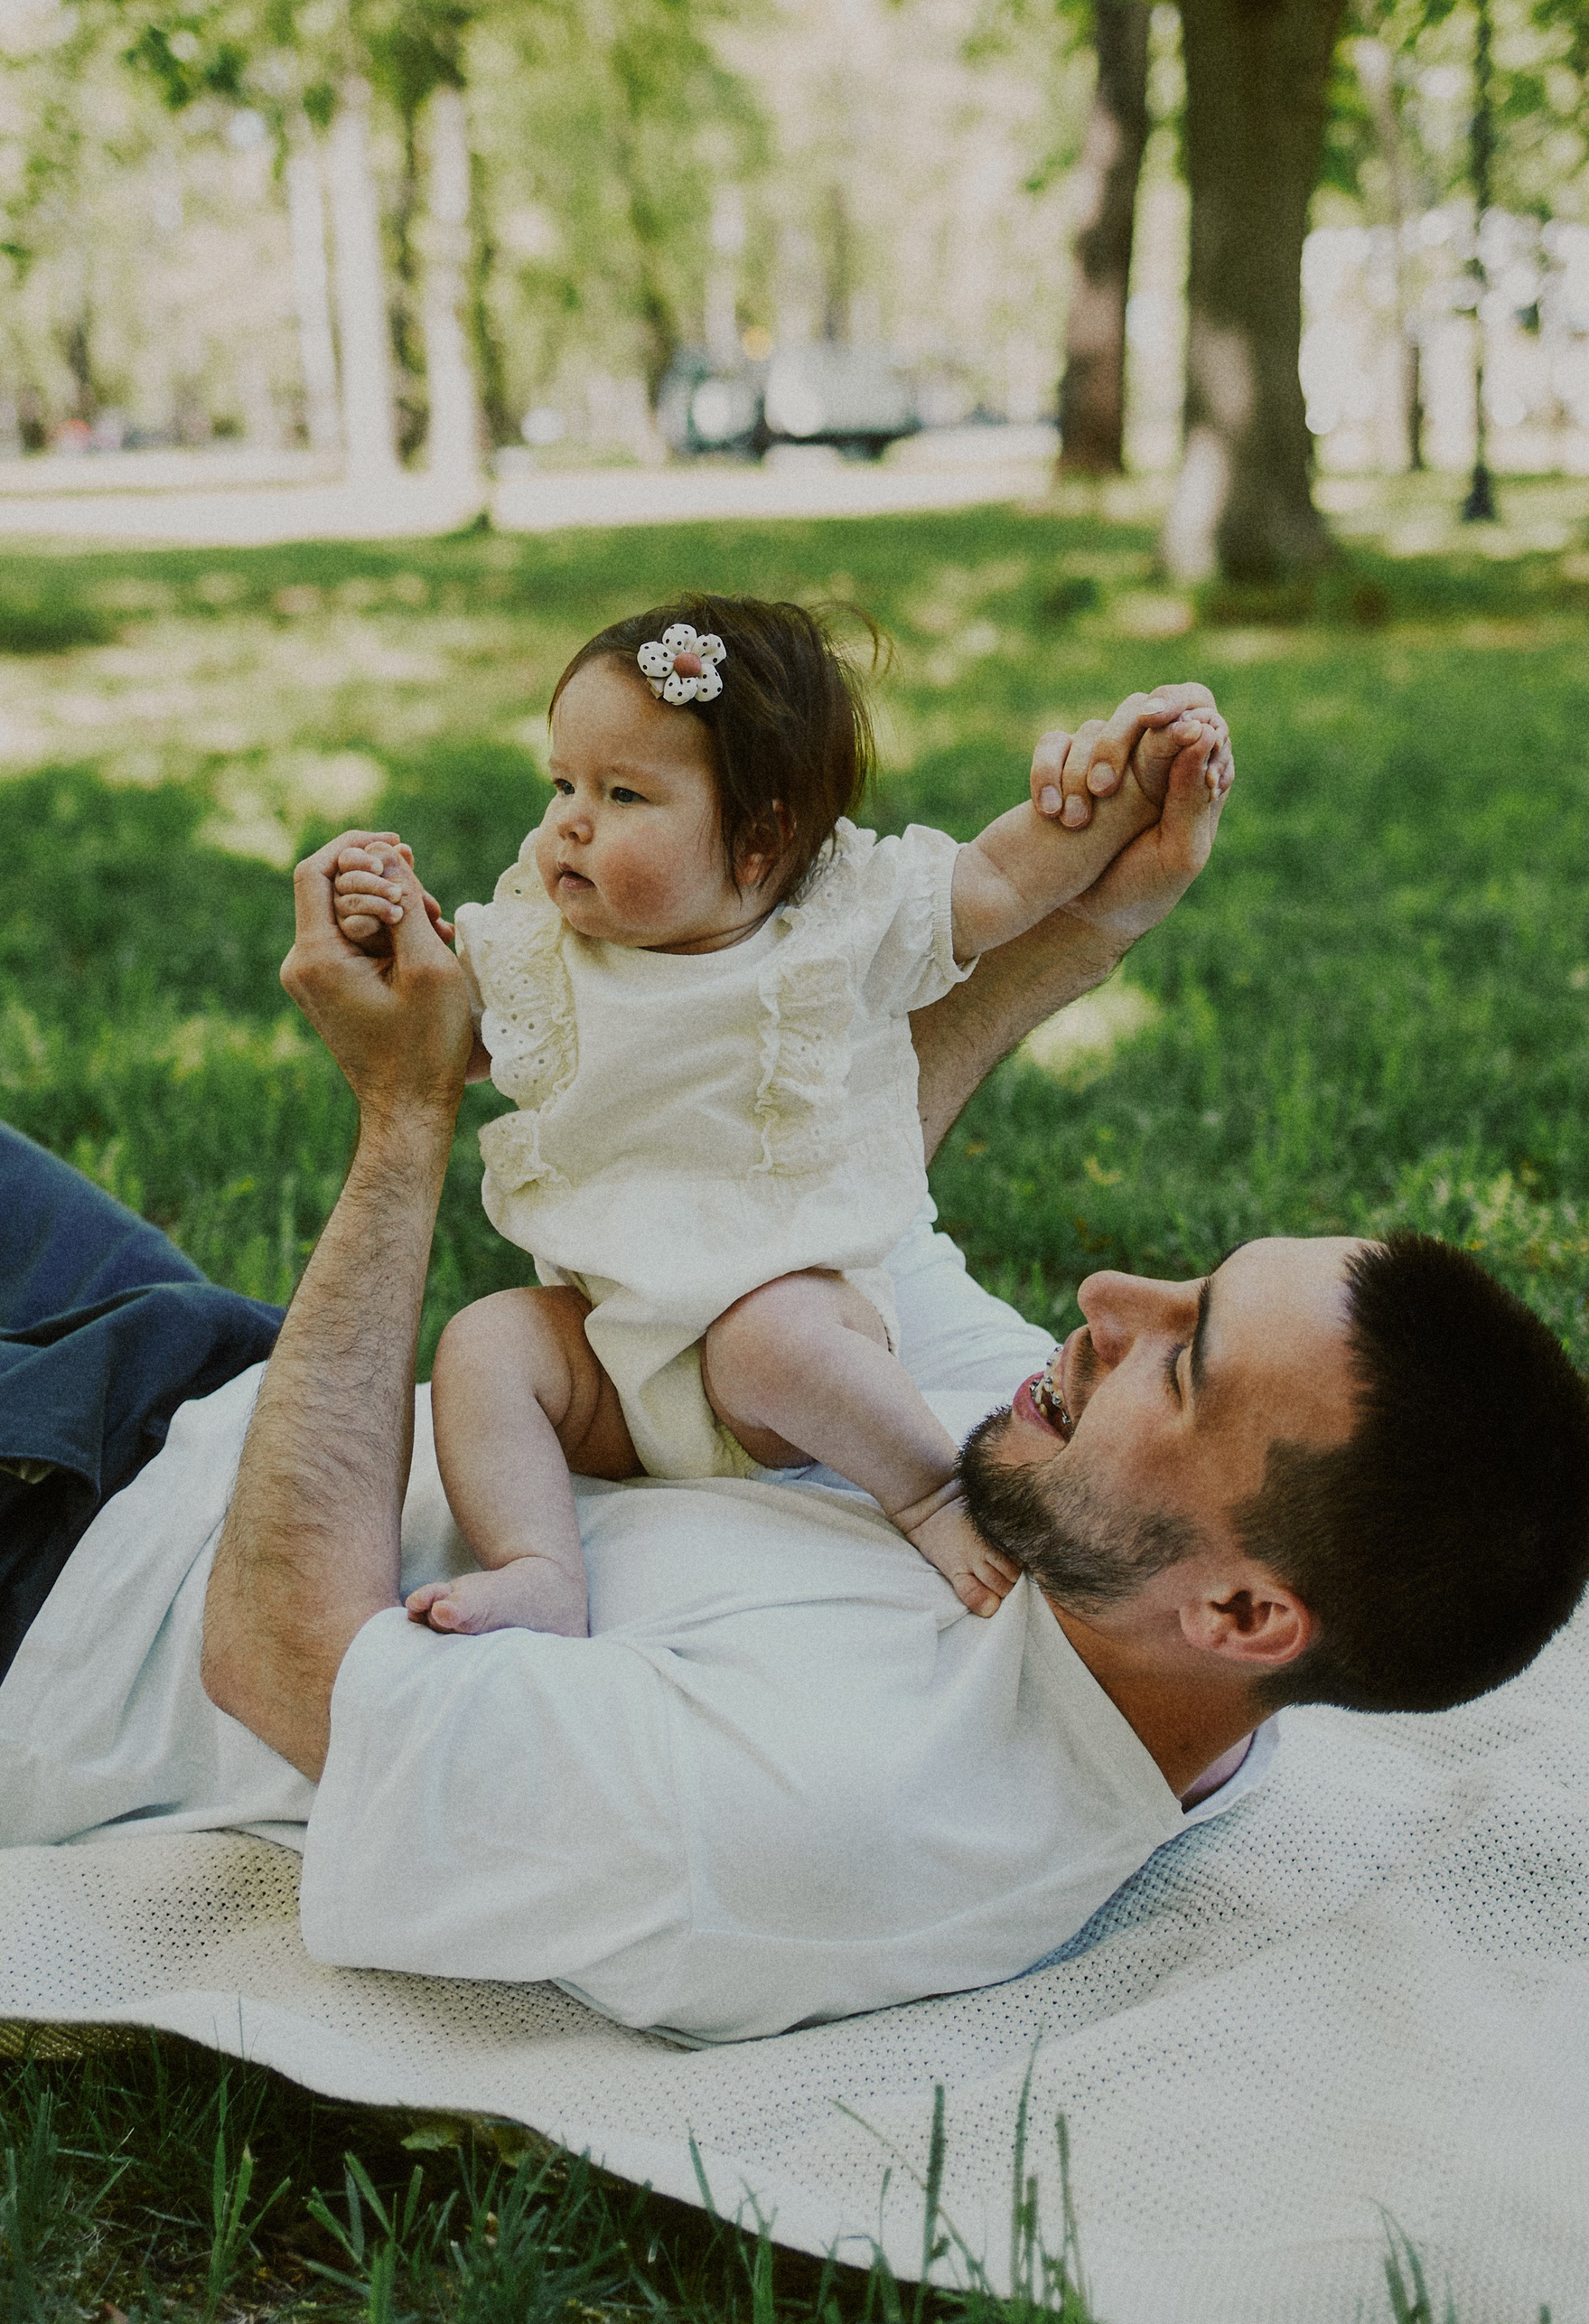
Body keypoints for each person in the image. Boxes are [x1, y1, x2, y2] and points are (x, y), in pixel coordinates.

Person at [0, 688, 1589, 2045]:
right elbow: (818, 1227)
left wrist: (405, 1117)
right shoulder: (1076, 1522)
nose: (1110, 1294)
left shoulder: (854, 1817)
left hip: (13, 1604)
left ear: (1246, 1612)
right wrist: (1078, 934)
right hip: (230, 1407)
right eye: (1186, 1286)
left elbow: (281, 1659)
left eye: (1182, 1356)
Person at [322, 594, 1232, 1638]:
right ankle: (539, 1565)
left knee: (771, 1340)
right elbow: (457, 1041)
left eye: (623, 793)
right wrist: (390, 928)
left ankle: (930, 1491)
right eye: (562, 781)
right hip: (616, 1348)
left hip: (790, 1316)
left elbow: (995, 878)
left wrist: (1120, 795)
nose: (569, 820)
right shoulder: (539, 943)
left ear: (759, 841)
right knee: (484, 1345)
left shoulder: (838, 918)